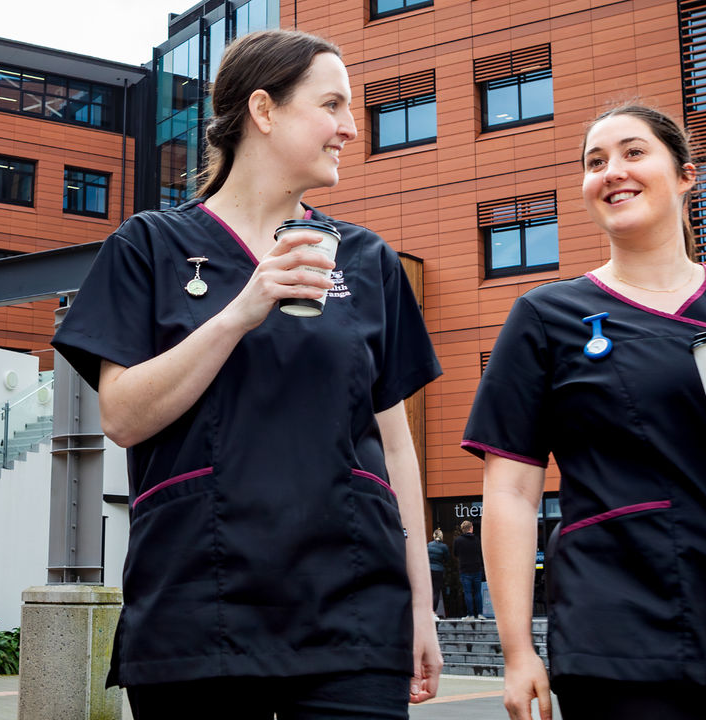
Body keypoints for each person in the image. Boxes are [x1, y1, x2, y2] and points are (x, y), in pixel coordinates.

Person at [51, 29, 443, 719]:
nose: (350, 128)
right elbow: (121, 416)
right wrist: (242, 310)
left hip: (352, 617)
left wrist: (421, 603)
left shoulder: (368, 261)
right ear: (264, 111)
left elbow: (397, 447)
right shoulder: (149, 247)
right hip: (200, 616)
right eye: (331, 105)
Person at [462, 103, 706, 720]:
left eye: (633, 152)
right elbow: (511, 491)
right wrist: (518, 651)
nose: (612, 171)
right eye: (596, 162)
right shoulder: (547, 316)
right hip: (615, 626)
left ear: (685, 176)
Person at [453, 520, 484, 619]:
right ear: (471, 528)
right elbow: (481, 552)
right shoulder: (477, 540)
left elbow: (455, 554)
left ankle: (470, 614)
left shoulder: (458, 541)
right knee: (477, 592)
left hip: (465, 569)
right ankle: (479, 614)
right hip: (477, 568)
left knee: (468, 593)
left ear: (462, 530)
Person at [427, 529, 450, 617]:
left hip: (429, 570)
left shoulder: (429, 545)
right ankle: (433, 611)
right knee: (436, 591)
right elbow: (447, 559)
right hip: (438, 570)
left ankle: (428, 610)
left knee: (430, 591)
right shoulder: (444, 547)